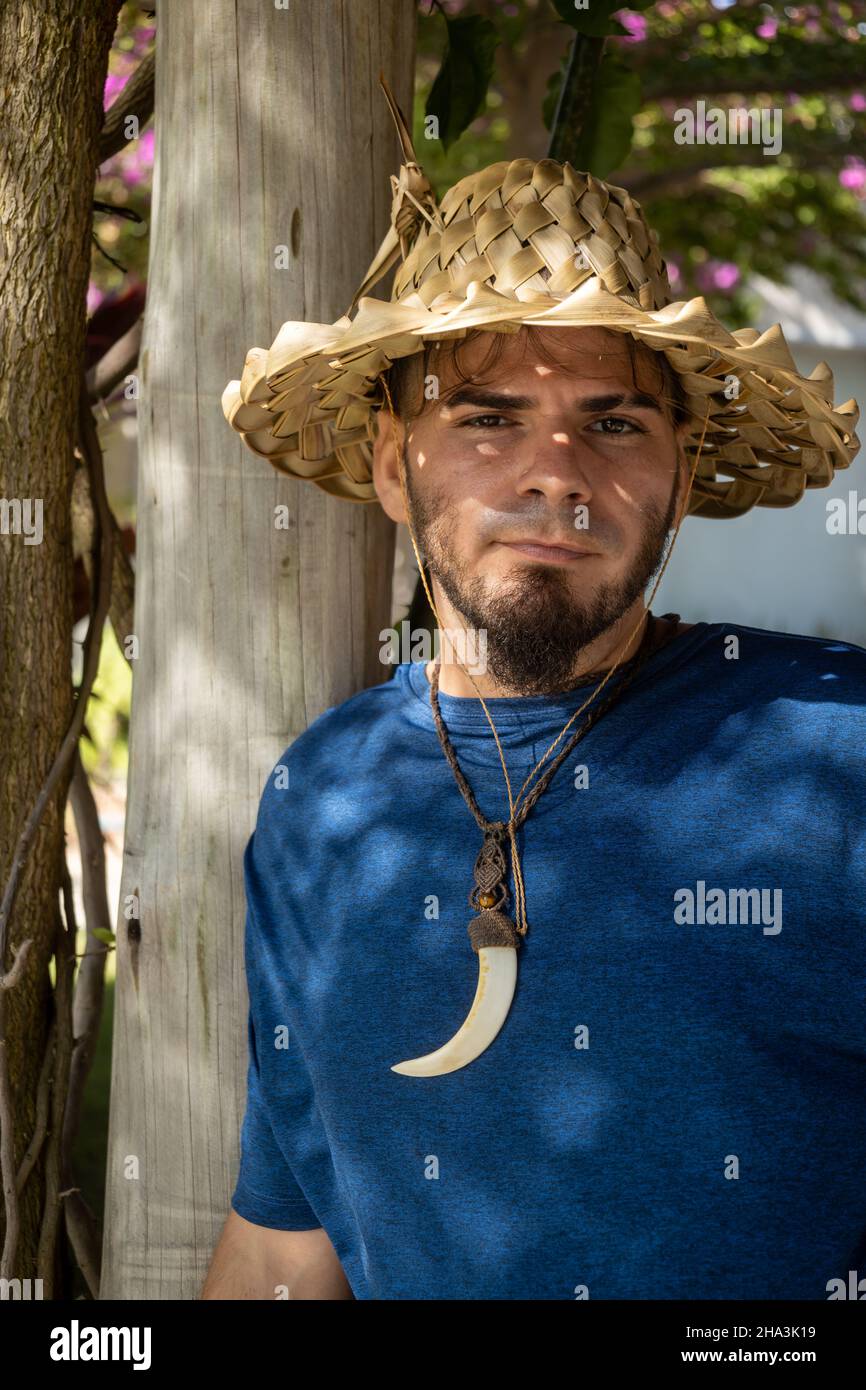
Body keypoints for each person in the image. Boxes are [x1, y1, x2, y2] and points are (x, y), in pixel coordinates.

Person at [204, 81, 864, 1300]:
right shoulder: (319, 796)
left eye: (611, 422)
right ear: (392, 466)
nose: (554, 473)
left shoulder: (837, 755)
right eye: (488, 417)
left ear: (677, 475)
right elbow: (283, 1248)